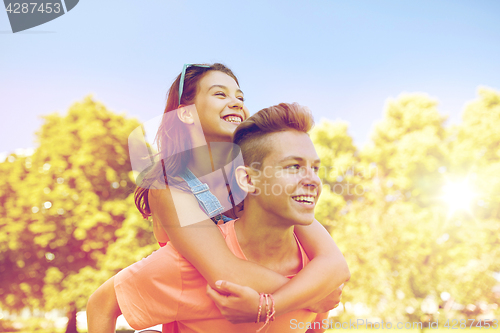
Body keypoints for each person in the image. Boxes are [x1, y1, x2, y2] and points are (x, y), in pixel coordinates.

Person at [87, 64, 350, 332]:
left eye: (240, 97)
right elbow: (225, 272)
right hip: (201, 308)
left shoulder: (259, 179)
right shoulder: (169, 187)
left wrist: (288, 300)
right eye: (220, 95)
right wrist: (312, 294)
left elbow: (333, 262)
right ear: (186, 114)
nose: (236, 103)